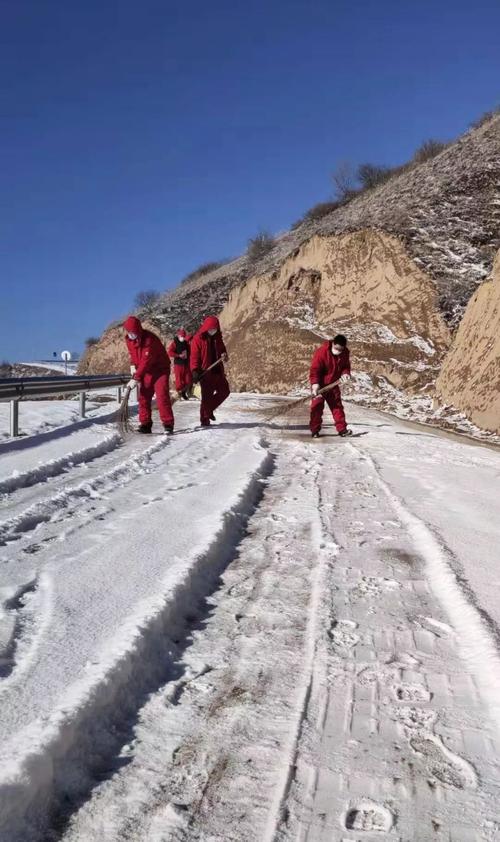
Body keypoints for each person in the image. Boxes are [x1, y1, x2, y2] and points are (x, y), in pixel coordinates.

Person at [123, 315, 174, 434]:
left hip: (160, 370)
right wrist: (132, 365)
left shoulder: (150, 340)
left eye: (133, 332)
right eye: (129, 332)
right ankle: (145, 424)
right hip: (146, 371)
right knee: (144, 397)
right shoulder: (129, 340)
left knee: (161, 396)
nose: (130, 334)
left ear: (138, 330)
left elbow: (146, 361)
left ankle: (168, 424)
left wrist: (136, 377)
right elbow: (133, 355)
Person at [309, 334, 352, 438]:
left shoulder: (345, 353)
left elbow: (346, 366)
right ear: (333, 344)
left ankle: (342, 429)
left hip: (333, 385)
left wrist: (345, 374)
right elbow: (315, 370)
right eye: (336, 348)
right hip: (320, 385)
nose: (338, 351)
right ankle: (315, 430)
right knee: (317, 407)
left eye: (340, 349)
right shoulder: (322, 352)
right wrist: (315, 384)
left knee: (337, 407)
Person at [190, 315, 230, 427]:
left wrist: (224, 355)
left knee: (224, 391)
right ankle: (205, 421)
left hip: (218, 370)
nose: (213, 331)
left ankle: (208, 410)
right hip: (205, 372)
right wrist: (195, 371)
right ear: (206, 327)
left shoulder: (218, 337)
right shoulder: (198, 339)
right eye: (211, 329)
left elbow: (223, 350)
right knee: (206, 397)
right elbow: (194, 357)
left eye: (215, 329)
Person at [168, 328, 192, 400]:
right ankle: (179, 393)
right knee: (179, 380)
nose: (182, 338)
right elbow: (170, 352)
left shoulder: (186, 343)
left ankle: (184, 392)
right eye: (181, 336)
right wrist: (178, 355)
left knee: (188, 379)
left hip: (186, 363)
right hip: (178, 364)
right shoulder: (174, 343)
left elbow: (190, 352)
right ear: (178, 336)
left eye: (184, 337)